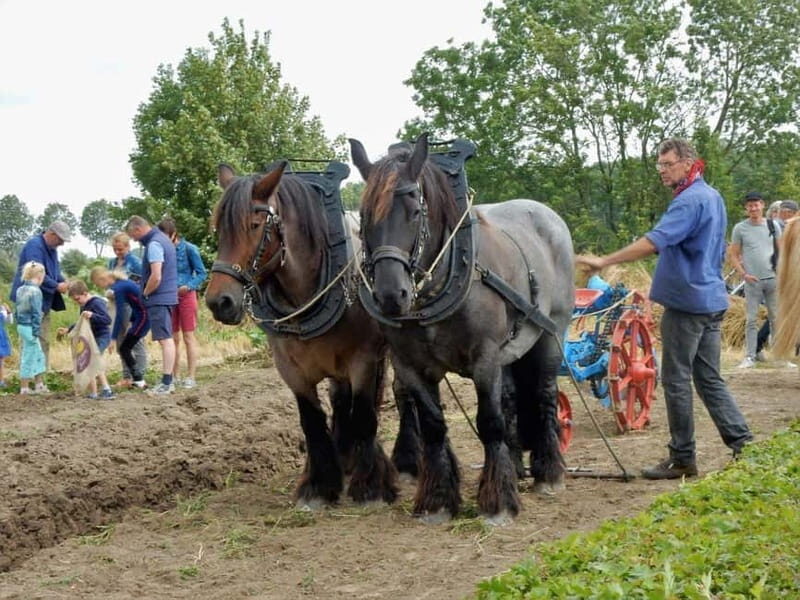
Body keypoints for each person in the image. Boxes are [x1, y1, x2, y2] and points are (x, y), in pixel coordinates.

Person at [576, 138, 753, 480]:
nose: (662, 171)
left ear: (688, 163)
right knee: (709, 378)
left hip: (687, 304)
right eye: (659, 165)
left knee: (675, 380)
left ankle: (682, 457)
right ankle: (744, 444)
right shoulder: (711, 196)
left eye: (668, 164)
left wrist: (604, 260)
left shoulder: (688, 201)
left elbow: (654, 241)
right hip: (711, 299)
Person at [125, 215, 178, 395]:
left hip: (159, 298)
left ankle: (167, 383)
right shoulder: (163, 240)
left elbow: (156, 276)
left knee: (165, 339)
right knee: (167, 338)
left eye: (133, 235)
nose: (134, 240)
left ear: (138, 229)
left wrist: (145, 293)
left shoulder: (154, 244)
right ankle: (168, 381)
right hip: (167, 296)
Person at [729, 192, 780, 368]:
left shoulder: (773, 225)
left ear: (762, 205)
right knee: (751, 319)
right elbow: (733, 255)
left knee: (776, 318)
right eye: (750, 205)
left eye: (756, 205)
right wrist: (744, 274)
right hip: (752, 281)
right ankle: (750, 356)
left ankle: (779, 356)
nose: (753, 208)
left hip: (773, 279)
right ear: (746, 208)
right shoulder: (740, 228)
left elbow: (781, 251)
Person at [10, 221, 71, 367]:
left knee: (43, 340)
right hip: (28, 302)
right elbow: (36, 274)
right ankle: (28, 375)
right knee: (30, 340)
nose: (62, 244)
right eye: (60, 240)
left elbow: (55, 272)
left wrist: (65, 282)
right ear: (51, 234)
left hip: (43, 301)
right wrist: (57, 286)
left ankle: (40, 375)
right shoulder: (34, 246)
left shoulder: (52, 249)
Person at [157, 218, 207, 388]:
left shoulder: (190, 249)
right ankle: (174, 375)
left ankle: (191, 376)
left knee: (188, 336)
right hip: (169, 297)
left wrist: (189, 286)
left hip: (186, 296)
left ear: (174, 234)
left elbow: (202, 273)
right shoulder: (162, 251)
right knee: (173, 338)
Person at [90, 267, 150, 390]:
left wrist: (113, 338)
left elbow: (120, 314)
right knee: (125, 348)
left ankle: (139, 381)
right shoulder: (122, 284)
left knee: (124, 348)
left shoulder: (119, 288)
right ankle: (138, 380)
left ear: (102, 279)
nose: (100, 287)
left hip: (144, 317)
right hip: (140, 317)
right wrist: (132, 322)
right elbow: (135, 303)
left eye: (98, 284)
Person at [57, 280, 114, 400]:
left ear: (85, 293)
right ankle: (94, 392)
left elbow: (107, 320)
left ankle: (106, 389)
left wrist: (93, 315)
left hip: (101, 336)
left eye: (77, 299)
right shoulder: (83, 306)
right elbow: (81, 321)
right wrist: (68, 329)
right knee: (89, 361)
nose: (77, 302)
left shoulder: (96, 303)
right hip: (91, 337)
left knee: (93, 360)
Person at [106, 232, 147, 386]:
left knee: (135, 341)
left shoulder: (135, 262)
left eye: (120, 249)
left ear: (128, 247)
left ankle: (139, 374)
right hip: (116, 305)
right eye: (115, 249)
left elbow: (142, 283)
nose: (117, 252)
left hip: (132, 306)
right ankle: (127, 375)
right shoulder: (111, 263)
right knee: (121, 341)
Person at [14, 261, 48, 395]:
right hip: (30, 327)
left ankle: (39, 384)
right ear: (39, 276)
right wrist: (36, 330)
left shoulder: (20, 289)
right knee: (29, 356)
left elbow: (17, 309)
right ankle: (24, 388)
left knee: (37, 354)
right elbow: (36, 312)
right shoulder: (36, 291)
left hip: (21, 326)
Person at [0, 301, 12, 388]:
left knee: (1, 359)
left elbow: (10, 321)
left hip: (1, 335)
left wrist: (9, 312)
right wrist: (5, 312)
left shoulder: (2, 308)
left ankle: (1, 381)